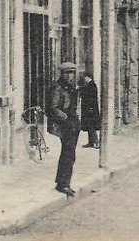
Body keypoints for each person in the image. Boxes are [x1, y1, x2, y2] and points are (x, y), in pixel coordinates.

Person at [47, 62, 83, 196]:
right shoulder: (57, 88)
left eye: (72, 73)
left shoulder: (71, 88)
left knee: (71, 154)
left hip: (73, 123)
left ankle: (64, 182)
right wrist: (66, 118)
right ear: (61, 74)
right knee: (68, 154)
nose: (69, 76)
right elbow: (53, 108)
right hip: (65, 124)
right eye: (66, 73)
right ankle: (63, 184)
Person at [79, 73, 102, 148]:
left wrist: (91, 108)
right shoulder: (89, 85)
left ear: (88, 77)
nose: (84, 79)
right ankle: (91, 142)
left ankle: (96, 142)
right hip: (89, 108)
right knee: (89, 126)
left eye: (84, 77)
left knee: (91, 126)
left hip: (90, 109)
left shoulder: (92, 85)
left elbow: (90, 96)